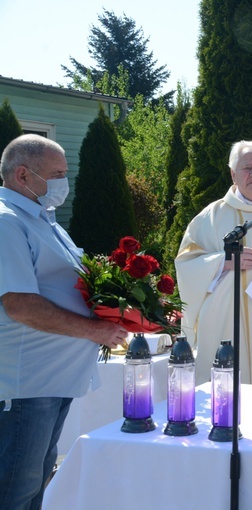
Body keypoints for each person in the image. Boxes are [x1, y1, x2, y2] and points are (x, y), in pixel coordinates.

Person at [0, 134, 126, 509]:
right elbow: (20, 304)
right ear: (23, 175)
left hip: (50, 380)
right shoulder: (7, 223)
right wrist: (94, 329)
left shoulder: (42, 219)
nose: (63, 183)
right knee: (14, 489)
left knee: (36, 480)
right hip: (26, 384)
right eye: (56, 174)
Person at [175, 140, 252, 385]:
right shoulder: (211, 216)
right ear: (233, 173)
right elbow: (187, 263)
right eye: (247, 167)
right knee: (225, 392)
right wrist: (223, 261)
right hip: (223, 319)